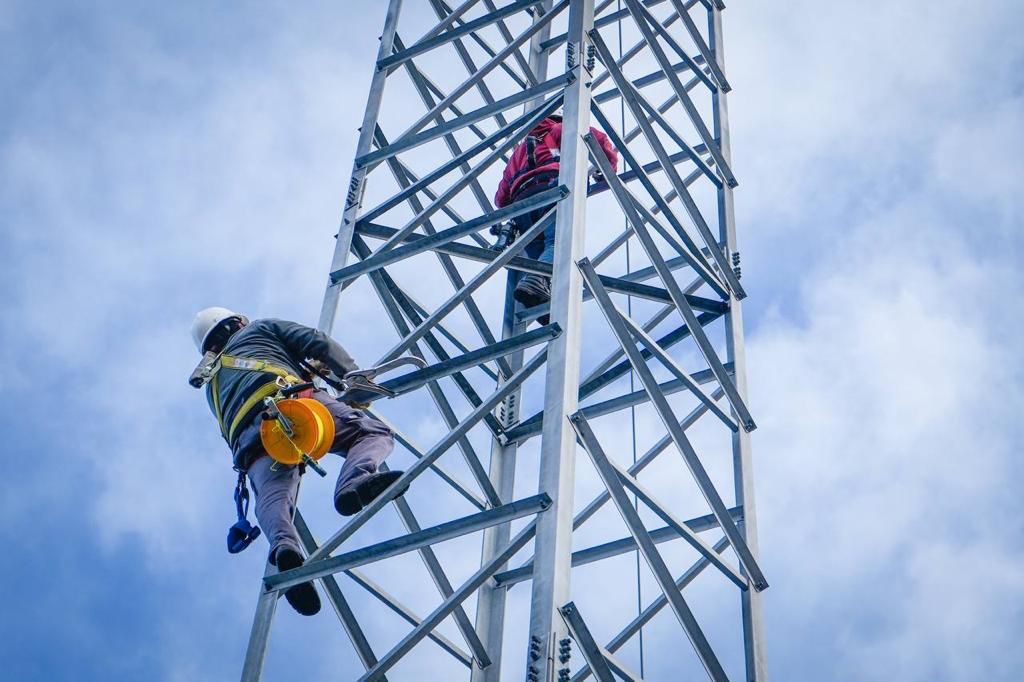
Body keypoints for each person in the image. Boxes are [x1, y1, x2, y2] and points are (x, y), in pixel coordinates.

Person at [190, 306, 407, 616]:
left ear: (209, 346)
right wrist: (350, 376)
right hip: (290, 405)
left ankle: (283, 548)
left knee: (274, 496)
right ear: (237, 322)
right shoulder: (259, 330)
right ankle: (354, 483)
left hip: (255, 443)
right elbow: (315, 340)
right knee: (371, 434)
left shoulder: (209, 385)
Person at [494, 113, 618, 310]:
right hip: (553, 189)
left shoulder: (519, 152)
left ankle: (540, 299)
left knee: (540, 256)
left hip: (522, 205)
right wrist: (608, 166)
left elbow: (501, 199)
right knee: (560, 244)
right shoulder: (557, 129)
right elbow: (596, 138)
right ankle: (537, 283)